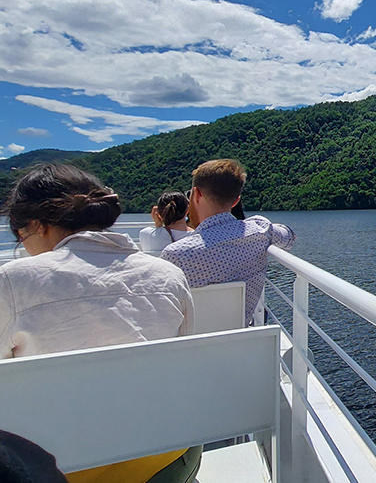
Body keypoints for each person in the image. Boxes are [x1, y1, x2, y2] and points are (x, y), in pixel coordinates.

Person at [0, 164, 199, 483]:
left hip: (64, 470)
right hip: (171, 456)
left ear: (38, 225)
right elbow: (179, 360)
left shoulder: (12, 281)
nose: (23, 247)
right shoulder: (169, 274)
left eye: (20, 236)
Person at [161, 159, 294, 326]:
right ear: (236, 201)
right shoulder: (260, 232)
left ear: (196, 194)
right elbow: (288, 237)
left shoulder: (175, 255)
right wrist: (261, 223)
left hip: (190, 348)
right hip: (237, 343)